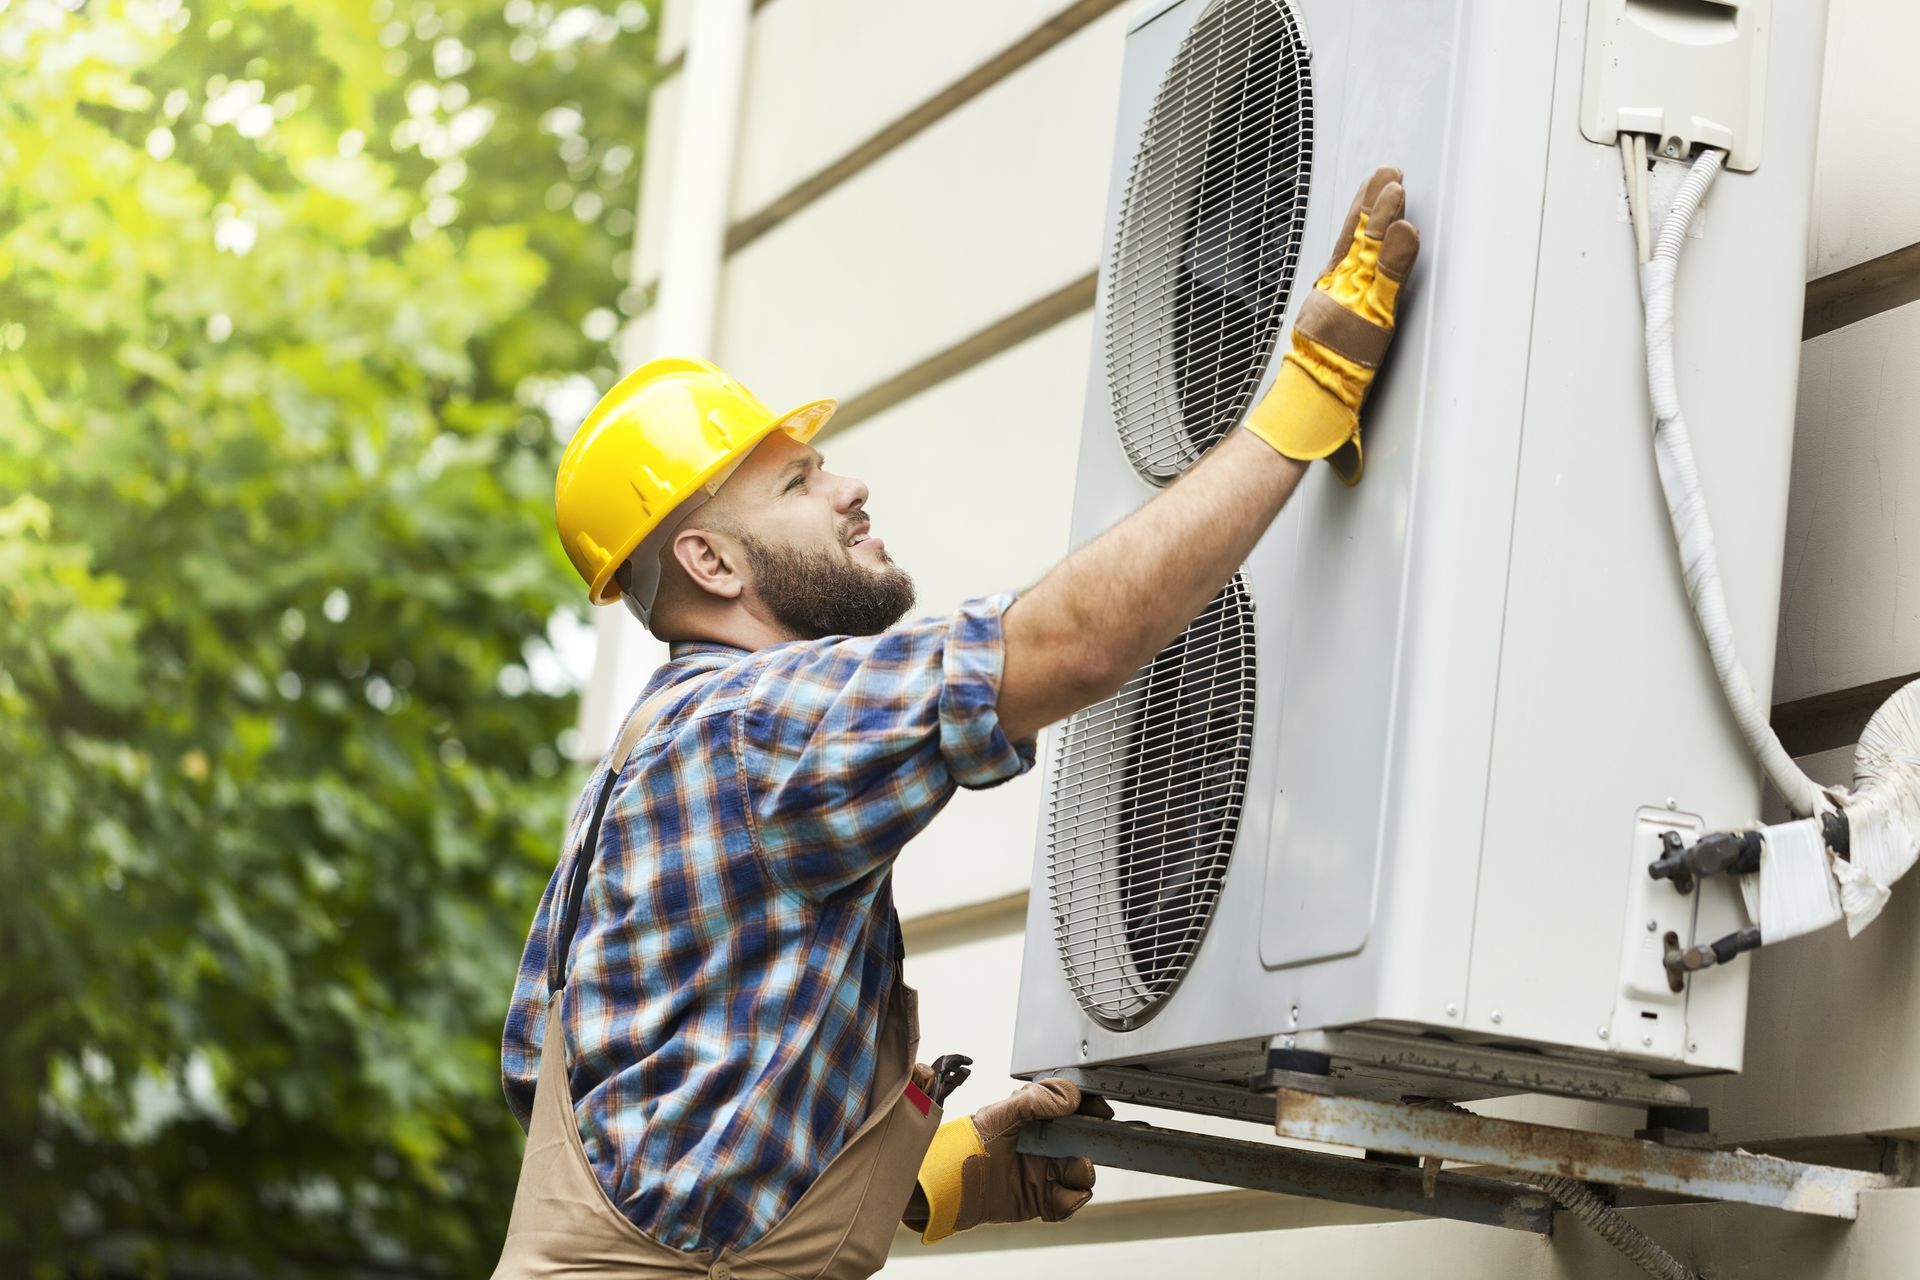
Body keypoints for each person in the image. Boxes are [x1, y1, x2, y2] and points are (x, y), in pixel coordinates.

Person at [492, 169, 1419, 1279]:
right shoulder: (751, 727)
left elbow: (634, 1130)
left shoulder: (644, 762)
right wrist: (1301, 404)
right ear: (710, 559)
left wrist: (921, 1184)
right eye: (797, 482)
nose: (849, 490)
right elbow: (1065, 646)